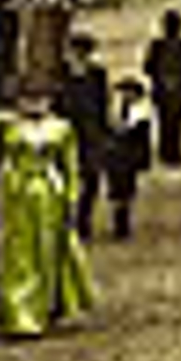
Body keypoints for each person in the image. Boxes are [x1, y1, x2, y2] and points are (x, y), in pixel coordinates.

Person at [0, 88, 93, 338]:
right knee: (18, 252)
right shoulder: (7, 128)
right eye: (27, 99)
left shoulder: (62, 128)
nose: (34, 105)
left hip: (50, 193)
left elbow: (71, 166)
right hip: (16, 194)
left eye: (40, 99)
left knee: (48, 250)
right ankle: (20, 313)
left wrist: (72, 198)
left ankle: (47, 306)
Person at [57, 35, 111, 241]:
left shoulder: (98, 74)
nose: (79, 55)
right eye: (76, 51)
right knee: (62, 176)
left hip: (90, 132)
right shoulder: (60, 73)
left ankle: (83, 218)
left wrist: (104, 132)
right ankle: (64, 218)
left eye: (84, 52)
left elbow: (103, 103)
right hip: (66, 132)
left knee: (91, 177)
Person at [142, 8, 181, 166]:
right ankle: (171, 151)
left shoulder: (159, 46)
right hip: (175, 88)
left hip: (167, 88)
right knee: (174, 121)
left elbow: (147, 67)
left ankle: (168, 151)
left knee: (168, 121)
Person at [104, 77, 154, 240]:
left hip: (129, 157)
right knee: (116, 191)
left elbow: (143, 140)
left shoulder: (141, 113)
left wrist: (143, 161)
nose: (126, 96)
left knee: (126, 192)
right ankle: (119, 221)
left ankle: (122, 224)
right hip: (115, 156)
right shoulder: (116, 110)